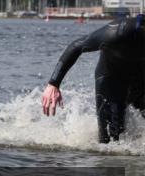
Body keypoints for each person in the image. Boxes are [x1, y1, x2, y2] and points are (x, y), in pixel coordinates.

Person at [41, 14, 144, 143]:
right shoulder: (118, 32)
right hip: (112, 77)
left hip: (141, 77)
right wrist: (53, 84)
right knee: (111, 142)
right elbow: (77, 46)